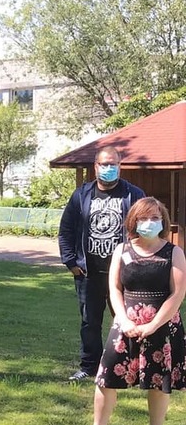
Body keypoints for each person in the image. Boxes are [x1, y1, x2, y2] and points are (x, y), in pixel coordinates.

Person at [85, 197, 186, 425]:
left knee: (159, 381)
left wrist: (152, 326)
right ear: (133, 221)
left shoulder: (174, 252)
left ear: (163, 221)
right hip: (125, 323)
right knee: (106, 377)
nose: (149, 223)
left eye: (154, 218)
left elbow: (177, 294)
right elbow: (114, 289)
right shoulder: (122, 250)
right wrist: (123, 319)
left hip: (162, 325)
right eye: (143, 218)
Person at [59, 146, 145, 382]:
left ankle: (130, 367)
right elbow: (66, 229)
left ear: (120, 165)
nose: (108, 168)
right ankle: (89, 366)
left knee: (128, 320)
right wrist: (70, 261)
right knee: (90, 322)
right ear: (95, 166)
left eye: (113, 164)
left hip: (124, 274)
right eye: (104, 164)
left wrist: (140, 264)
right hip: (89, 273)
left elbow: (145, 231)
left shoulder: (133, 194)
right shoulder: (81, 195)